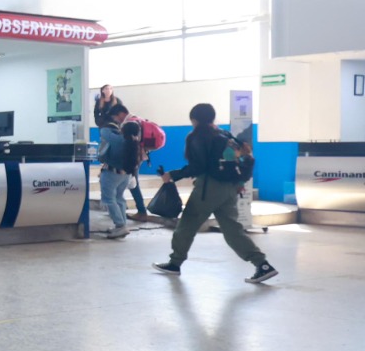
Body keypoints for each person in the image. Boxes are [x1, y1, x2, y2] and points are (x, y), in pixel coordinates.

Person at [154, 103, 276, 283]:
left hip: (209, 188)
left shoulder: (198, 137)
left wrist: (172, 175)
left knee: (186, 226)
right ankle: (263, 265)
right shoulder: (225, 135)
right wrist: (240, 181)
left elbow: (198, 166)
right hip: (230, 188)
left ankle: (175, 263)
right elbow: (246, 157)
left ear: (194, 119)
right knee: (233, 230)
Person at [97, 106, 138, 238]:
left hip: (112, 173)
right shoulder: (132, 142)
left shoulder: (117, 139)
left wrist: (106, 122)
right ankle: (122, 225)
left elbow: (104, 132)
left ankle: (120, 225)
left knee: (108, 199)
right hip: (125, 175)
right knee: (119, 198)